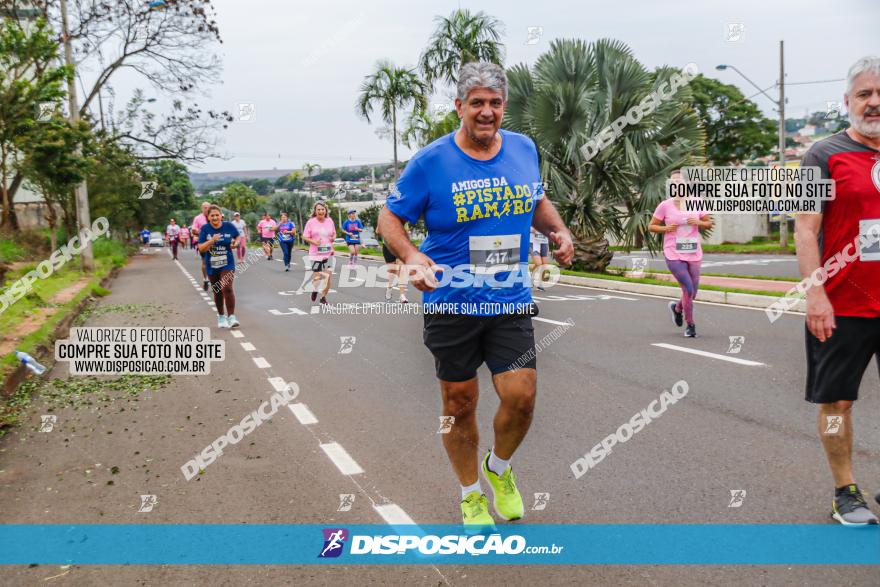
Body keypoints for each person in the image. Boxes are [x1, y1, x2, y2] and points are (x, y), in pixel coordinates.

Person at [378, 62, 574, 531]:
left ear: (504, 105)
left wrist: (558, 229)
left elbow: (536, 201)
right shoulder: (432, 161)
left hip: (508, 298)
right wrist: (410, 256)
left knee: (521, 396)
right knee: (459, 404)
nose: (487, 112)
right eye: (477, 103)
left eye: (495, 103)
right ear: (460, 107)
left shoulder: (524, 149)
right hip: (451, 301)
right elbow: (389, 218)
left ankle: (499, 469)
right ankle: (470, 494)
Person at [795, 56, 880, 526]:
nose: (874, 103)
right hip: (843, 304)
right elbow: (806, 231)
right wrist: (815, 294)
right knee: (837, 401)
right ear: (847, 102)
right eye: (865, 94)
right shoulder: (821, 156)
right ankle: (844, 491)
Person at [648, 170, 713, 338]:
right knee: (688, 289)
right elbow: (652, 226)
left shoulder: (697, 201)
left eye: (680, 180)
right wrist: (665, 228)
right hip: (673, 252)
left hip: (693, 251)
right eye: (674, 181)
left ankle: (676, 309)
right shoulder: (665, 205)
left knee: (693, 293)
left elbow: (708, 223)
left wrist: (698, 221)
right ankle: (690, 325)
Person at [197, 204, 241, 329]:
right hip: (212, 264)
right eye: (212, 215)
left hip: (227, 263)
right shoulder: (205, 229)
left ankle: (232, 317)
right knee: (217, 291)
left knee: (227, 288)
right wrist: (212, 240)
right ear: (208, 217)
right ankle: (221, 316)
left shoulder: (229, 226)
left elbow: (237, 236)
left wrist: (236, 243)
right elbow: (201, 247)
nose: (215, 217)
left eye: (217, 215)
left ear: (221, 216)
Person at [302, 201, 336, 304]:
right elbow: (304, 236)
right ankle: (315, 290)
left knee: (328, 277)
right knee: (317, 278)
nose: (321, 211)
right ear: (315, 211)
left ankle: (323, 297)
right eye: (318, 209)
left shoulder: (330, 221)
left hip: (328, 253)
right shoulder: (310, 222)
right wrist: (314, 242)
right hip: (315, 254)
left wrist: (333, 238)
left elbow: (334, 233)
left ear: (325, 211)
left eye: (322, 209)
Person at [376, 221, 409, 303]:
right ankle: (389, 287)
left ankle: (402, 295)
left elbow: (407, 231)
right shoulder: (385, 216)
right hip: (388, 247)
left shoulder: (403, 217)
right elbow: (377, 231)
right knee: (392, 271)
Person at [191, 201, 212, 291]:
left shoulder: (213, 216)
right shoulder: (198, 218)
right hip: (203, 243)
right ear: (202, 208)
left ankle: (213, 280)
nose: (207, 209)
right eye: (205, 207)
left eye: (208, 207)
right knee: (205, 262)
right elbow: (193, 230)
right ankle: (205, 279)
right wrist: (202, 232)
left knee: (214, 262)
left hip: (213, 242)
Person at [529, 226, 550, 291]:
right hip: (534, 242)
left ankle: (540, 284)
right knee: (539, 264)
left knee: (544, 266)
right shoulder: (533, 217)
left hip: (544, 242)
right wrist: (531, 229)